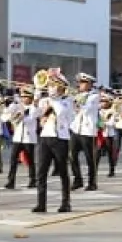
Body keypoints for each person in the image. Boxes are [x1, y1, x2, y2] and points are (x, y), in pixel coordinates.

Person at [33, 72, 73, 214]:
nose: (50, 88)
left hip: (60, 138)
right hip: (45, 137)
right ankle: (41, 203)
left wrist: (52, 99)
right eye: (49, 85)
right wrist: (36, 98)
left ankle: (66, 202)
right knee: (41, 171)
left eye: (53, 85)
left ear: (61, 87)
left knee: (63, 171)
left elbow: (61, 113)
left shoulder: (67, 100)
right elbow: (34, 114)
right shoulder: (46, 100)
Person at [68, 73, 100, 191]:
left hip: (88, 131)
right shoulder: (77, 95)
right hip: (76, 129)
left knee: (90, 158)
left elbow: (86, 109)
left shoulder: (94, 96)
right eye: (80, 82)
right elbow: (72, 111)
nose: (80, 85)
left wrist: (75, 100)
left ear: (90, 84)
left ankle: (92, 182)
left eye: (83, 82)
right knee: (72, 155)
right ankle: (78, 179)